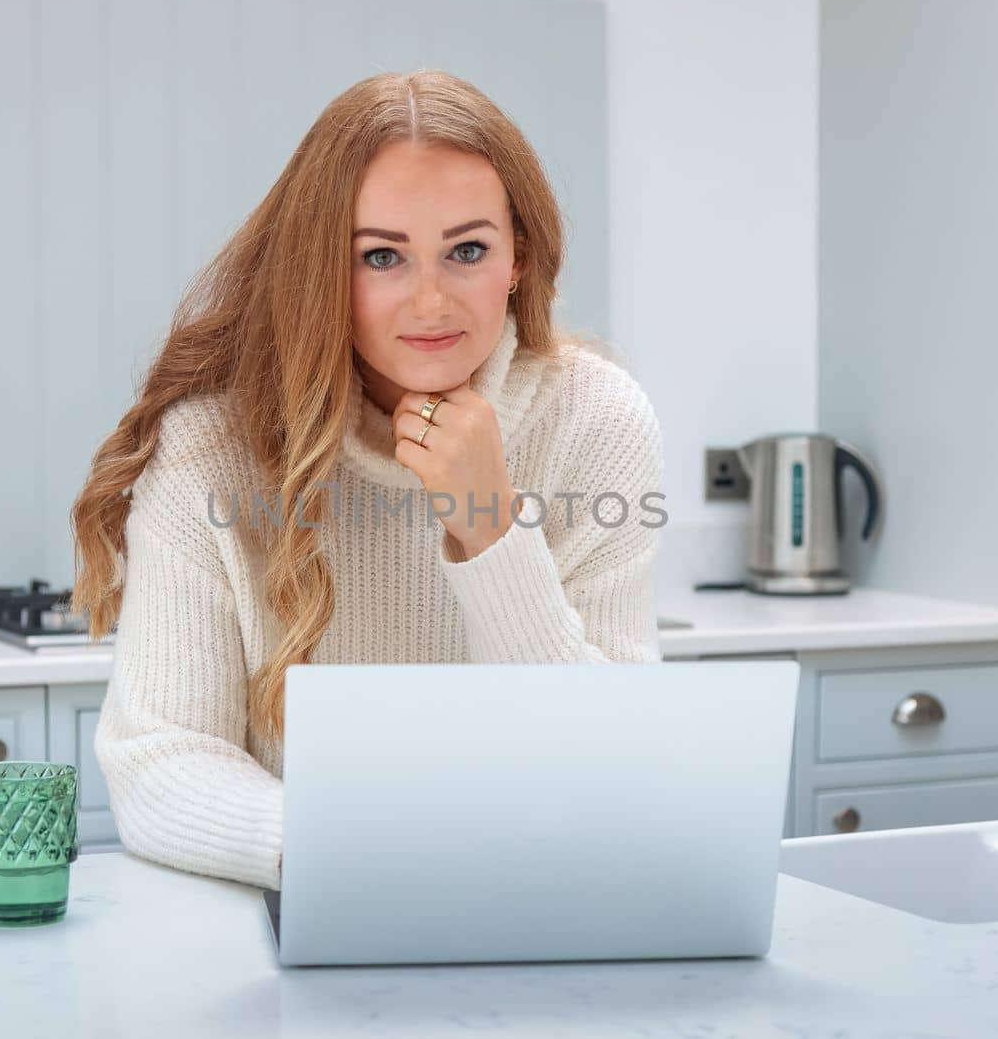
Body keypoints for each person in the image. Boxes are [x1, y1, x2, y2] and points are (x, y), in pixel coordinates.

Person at [70, 69, 665, 891]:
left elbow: (619, 763)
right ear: (322, 269)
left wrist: (491, 528)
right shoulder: (213, 443)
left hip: (545, 901)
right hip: (309, 905)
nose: (430, 301)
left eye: (467, 250)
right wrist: (358, 855)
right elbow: (162, 758)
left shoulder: (597, 420)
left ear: (518, 258)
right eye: (382, 256)